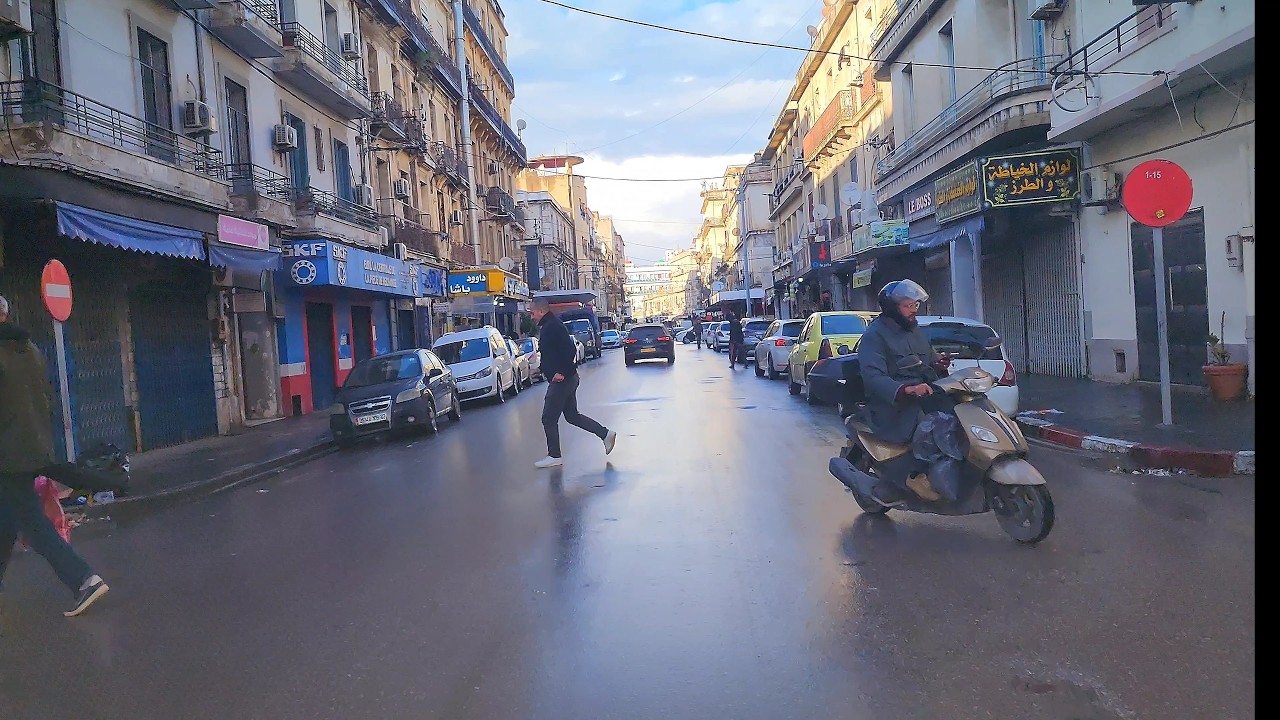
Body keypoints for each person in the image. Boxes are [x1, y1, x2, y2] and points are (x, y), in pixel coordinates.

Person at [0, 294, 109, 617]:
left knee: (32, 523)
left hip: (8, 453)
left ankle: (83, 580)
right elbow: (43, 396)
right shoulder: (30, 350)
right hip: (32, 445)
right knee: (8, 517)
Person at [530, 298, 617, 469]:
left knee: (548, 418)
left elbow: (569, 350)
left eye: (532, 312)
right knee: (571, 416)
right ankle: (605, 434)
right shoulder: (550, 326)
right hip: (567, 378)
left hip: (563, 380)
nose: (531, 316)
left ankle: (554, 455)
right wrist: (542, 369)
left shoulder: (552, 326)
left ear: (541, 311)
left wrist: (561, 372)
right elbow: (552, 354)